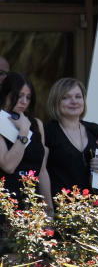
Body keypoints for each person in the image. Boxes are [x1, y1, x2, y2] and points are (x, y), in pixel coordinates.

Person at [43, 78, 98, 198]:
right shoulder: (47, 131)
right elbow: (41, 172)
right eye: (66, 97)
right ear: (56, 102)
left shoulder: (96, 130)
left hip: (94, 208)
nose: (74, 101)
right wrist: (48, 208)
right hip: (61, 207)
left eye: (78, 96)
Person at [0, 72, 53, 212]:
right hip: (6, 202)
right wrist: (23, 131)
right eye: (19, 95)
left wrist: (49, 208)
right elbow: (8, 165)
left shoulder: (36, 124)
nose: (24, 101)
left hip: (31, 201)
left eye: (28, 97)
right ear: (6, 94)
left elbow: (41, 169)